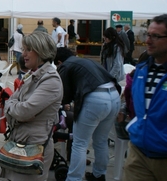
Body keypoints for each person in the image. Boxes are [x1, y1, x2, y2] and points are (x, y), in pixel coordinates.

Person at [3, 31, 63, 181]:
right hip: (21, 143)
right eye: (23, 49)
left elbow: (24, 111)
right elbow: (13, 100)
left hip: (34, 148)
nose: (23, 54)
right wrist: (13, 105)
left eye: (28, 49)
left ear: (41, 51)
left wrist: (11, 106)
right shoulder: (33, 73)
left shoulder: (51, 80)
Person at [54, 47, 121, 181]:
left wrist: (63, 104)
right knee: (101, 140)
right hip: (114, 96)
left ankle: (73, 178)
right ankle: (99, 175)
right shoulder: (85, 61)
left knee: (79, 143)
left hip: (95, 99)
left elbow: (64, 94)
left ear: (59, 62)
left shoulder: (65, 66)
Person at [124, 14, 167, 181]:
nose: (148, 40)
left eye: (155, 36)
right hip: (138, 153)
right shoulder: (141, 71)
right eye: (148, 35)